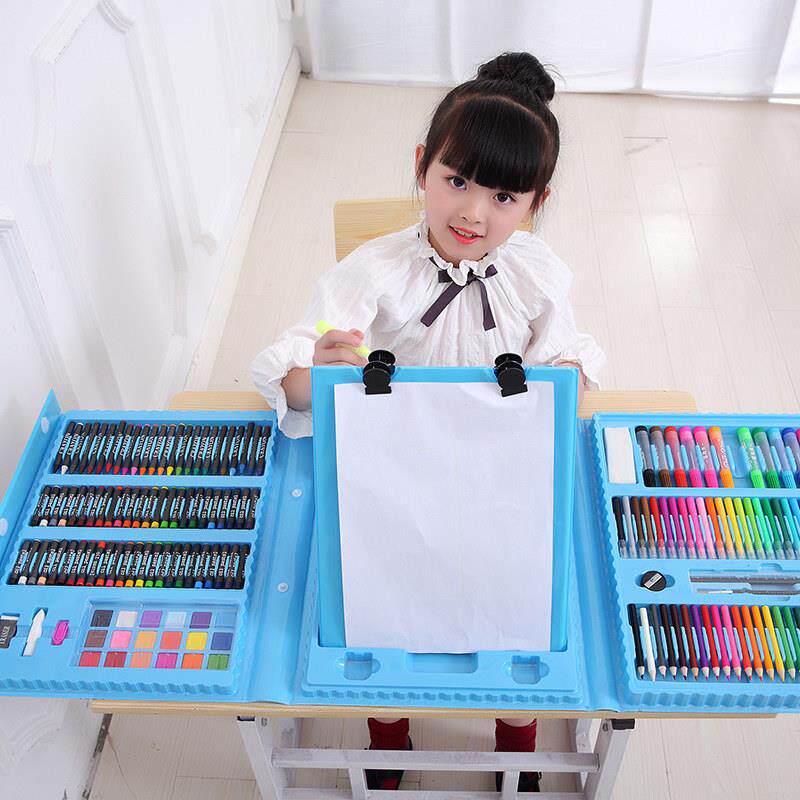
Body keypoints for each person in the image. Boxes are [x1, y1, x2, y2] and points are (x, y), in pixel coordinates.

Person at [252, 51, 605, 792]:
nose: (473, 213)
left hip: (499, 486)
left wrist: (567, 377)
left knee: (514, 603)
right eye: (457, 181)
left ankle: (517, 737)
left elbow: (568, 370)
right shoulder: (374, 269)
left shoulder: (538, 274)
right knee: (383, 606)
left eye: (503, 196)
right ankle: (388, 731)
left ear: (535, 202)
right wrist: (318, 369)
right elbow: (292, 373)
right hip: (392, 481)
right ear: (422, 167)